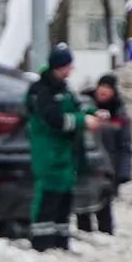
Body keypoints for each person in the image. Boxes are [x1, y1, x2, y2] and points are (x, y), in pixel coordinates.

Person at [23, 44, 97, 251]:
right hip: (48, 155)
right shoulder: (41, 90)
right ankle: (41, 244)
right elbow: (54, 120)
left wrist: (93, 112)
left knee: (64, 200)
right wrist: (83, 121)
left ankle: (60, 243)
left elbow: (77, 106)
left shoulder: (63, 88)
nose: (71, 70)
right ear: (59, 66)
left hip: (64, 157)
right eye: (68, 66)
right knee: (48, 198)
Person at [77, 72, 132, 235]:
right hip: (84, 163)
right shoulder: (83, 105)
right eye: (102, 86)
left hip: (108, 167)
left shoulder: (119, 113)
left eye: (109, 88)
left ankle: (105, 235)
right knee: (82, 204)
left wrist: (123, 172)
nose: (104, 91)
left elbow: (125, 146)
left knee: (104, 205)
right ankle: (84, 234)